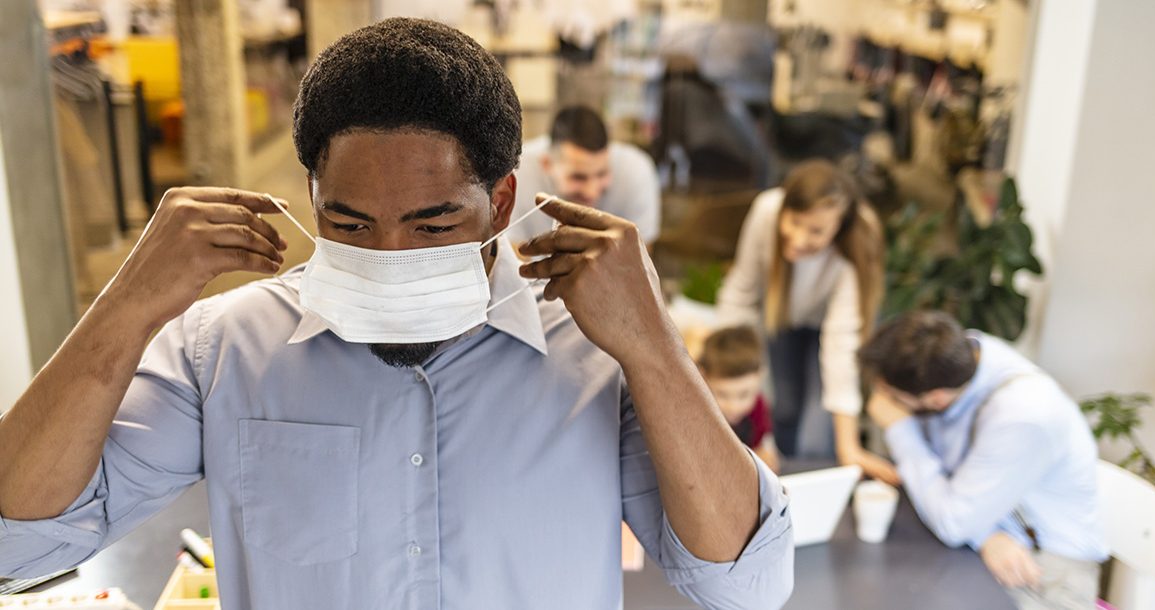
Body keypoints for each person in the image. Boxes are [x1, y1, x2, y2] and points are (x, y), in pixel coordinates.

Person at [0, 19, 794, 610]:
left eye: (432, 225)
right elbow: (20, 536)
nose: (387, 256)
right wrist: (126, 307)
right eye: (349, 224)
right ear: (312, 198)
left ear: (502, 202)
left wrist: (652, 345)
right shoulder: (224, 350)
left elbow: (747, 583)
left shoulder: (596, 356)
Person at [860, 311, 1108, 610]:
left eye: (892, 396)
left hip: (1043, 572)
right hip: (993, 537)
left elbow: (953, 523)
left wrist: (900, 429)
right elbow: (960, 513)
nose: (882, 401)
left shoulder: (1023, 416)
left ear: (937, 398)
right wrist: (986, 535)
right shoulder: (963, 356)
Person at [717, 159, 897, 484]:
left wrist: (850, 448)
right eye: (795, 222)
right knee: (783, 407)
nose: (799, 239)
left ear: (839, 228)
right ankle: (780, 495)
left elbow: (840, 347)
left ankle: (816, 495)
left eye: (816, 231)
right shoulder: (765, 212)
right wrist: (723, 361)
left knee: (818, 425)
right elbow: (742, 291)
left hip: (833, 329)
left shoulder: (857, 243)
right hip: (784, 317)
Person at [507, 105, 661, 247]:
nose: (591, 192)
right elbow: (512, 259)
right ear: (547, 164)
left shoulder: (636, 172)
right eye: (578, 177)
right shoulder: (517, 173)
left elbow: (639, 261)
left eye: (602, 174)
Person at [696, 326, 782, 473]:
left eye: (744, 394)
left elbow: (762, 449)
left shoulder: (759, 407)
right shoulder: (696, 413)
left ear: (760, 376)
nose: (733, 406)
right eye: (722, 394)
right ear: (703, 377)